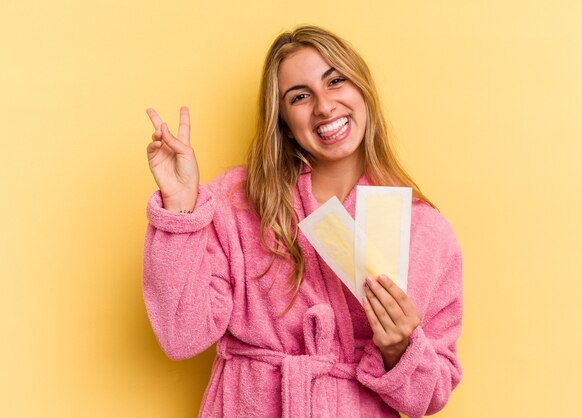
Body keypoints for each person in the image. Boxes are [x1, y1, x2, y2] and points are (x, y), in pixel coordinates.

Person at [143, 25, 463, 418]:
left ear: (363, 90)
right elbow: (182, 335)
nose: (325, 107)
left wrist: (400, 349)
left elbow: (431, 397)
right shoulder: (239, 199)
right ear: (283, 121)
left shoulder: (426, 232)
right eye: (300, 96)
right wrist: (179, 207)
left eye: (336, 81)